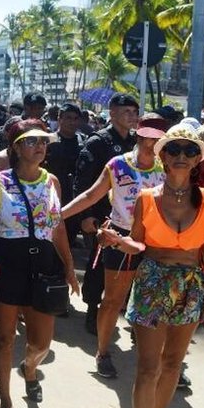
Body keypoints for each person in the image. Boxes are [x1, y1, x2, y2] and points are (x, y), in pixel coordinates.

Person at [100, 124, 204, 408]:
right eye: (174, 149)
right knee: (147, 368)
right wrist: (115, 241)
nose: (182, 155)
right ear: (163, 157)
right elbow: (138, 244)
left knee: (172, 365)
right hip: (152, 282)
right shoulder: (146, 199)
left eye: (190, 150)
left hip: (191, 285)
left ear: (197, 159)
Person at [0, 118, 79, 408]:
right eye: (32, 141)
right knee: (4, 338)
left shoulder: (52, 182)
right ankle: (6, 404)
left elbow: (58, 227)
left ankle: (30, 369)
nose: (40, 146)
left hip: (44, 267)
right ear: (17, 148)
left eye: (43, 141)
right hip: (7, 266)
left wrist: (69, 268)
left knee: (41, 343)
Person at [62, 116, 166, 378]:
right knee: (112, 301)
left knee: (153, 301)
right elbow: (90, 195)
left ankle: (158, 358)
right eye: (147, 136)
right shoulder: (118, 165)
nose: (151, 143)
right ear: (138, 136)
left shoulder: (167, 167)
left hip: (156, 242)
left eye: (157, 138)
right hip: (119, 237)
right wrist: (58, 215)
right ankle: (103, 352)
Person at [73, 93, 138, 335]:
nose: (131, 116)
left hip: (131, 216)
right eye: (126, 111)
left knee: (132, 264)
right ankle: (93, 310)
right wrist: (85, 216)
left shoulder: (136, 142)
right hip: (103, 216)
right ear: (112, 113)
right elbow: (83, 182)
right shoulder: (98, 142)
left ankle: (129, 313)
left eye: (134, 112)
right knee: (99, 264)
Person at [44, 102, 88, 247]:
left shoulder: (83, 141)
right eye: (68, 118)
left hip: (74, 195)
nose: (72, 122)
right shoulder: (49, 141)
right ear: (60, 119)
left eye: (75, 119)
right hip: (52, 193)